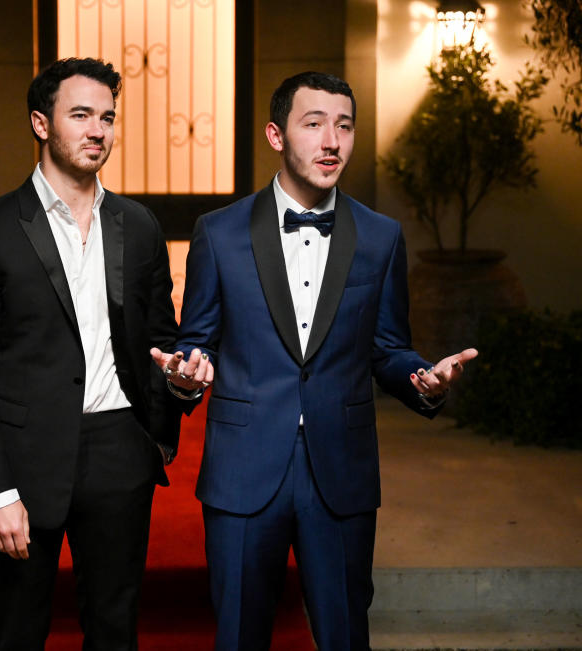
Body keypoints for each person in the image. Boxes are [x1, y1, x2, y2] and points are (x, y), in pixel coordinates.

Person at [152, 72, 478, 650]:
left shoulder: (381, 237)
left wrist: (424, 381)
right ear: (277, 135)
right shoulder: (219, 233)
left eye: (344, 126)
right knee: (238, 636)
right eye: (314, 123)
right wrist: (184, 377)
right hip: (243, 471)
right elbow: (196, 341)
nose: (332, 141)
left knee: (345, 634)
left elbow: (388, 349)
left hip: (342, 471)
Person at [0, 57, 183, 651]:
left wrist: (168, 409)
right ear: (41, 123)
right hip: (24, 463)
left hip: (119, 453)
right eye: (80, 115)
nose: (98, 129)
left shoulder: (139, 224)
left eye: (107, 116)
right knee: (20, 630)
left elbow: (162, 337)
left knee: (114, 628)